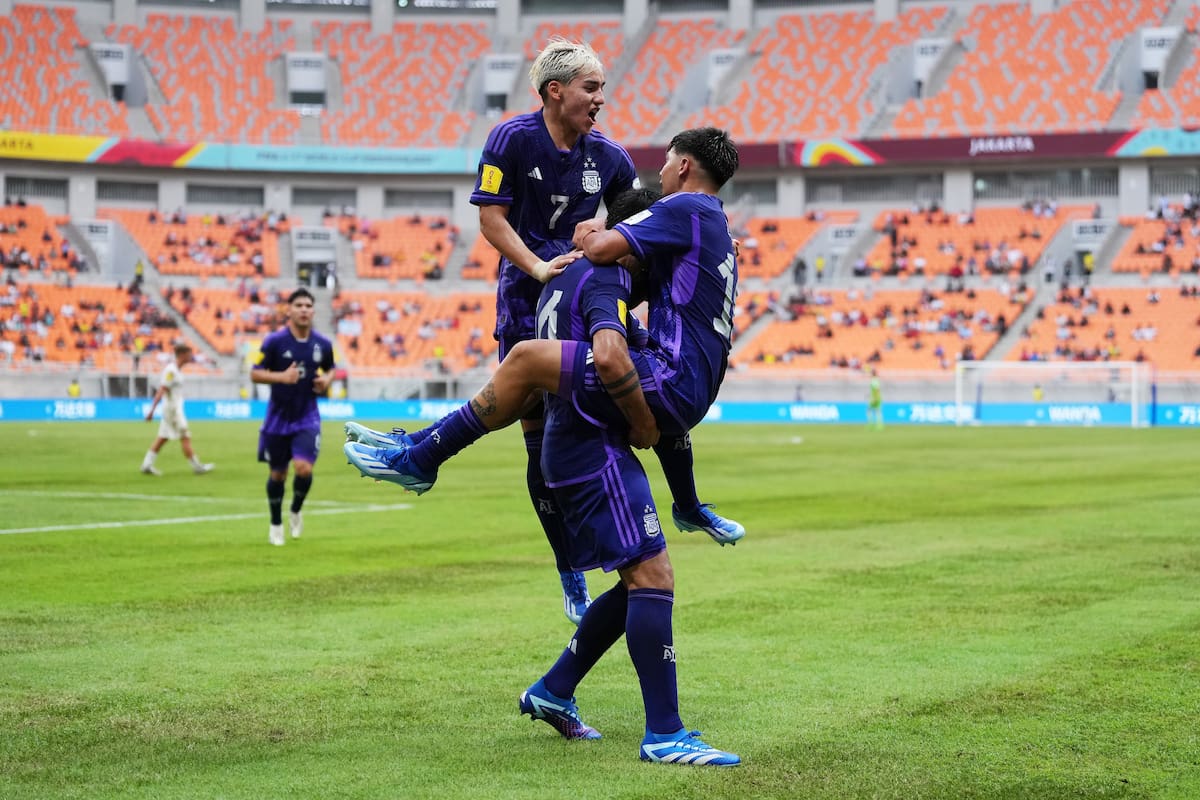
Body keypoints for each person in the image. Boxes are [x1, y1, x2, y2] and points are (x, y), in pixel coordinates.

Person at [345, 128, 744, 765]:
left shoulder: (580, 275)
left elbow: (579, 370)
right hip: (593, 443)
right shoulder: (615, 270)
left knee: (638, 579)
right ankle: (665, 733)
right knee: (650, 572)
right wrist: (647, 426)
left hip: (574, 438)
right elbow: (611, 360)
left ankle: (555, 688)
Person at [345, 40, 742, 623]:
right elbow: (490, 216)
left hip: (589, 290)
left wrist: (604, 260)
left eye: (602, 88)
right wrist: (536, 266)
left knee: (632, 380)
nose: (600, 100)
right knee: (539, 440)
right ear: (555, 91)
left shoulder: (610, 156)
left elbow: (633, 216)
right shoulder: (511, 138)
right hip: (526, 291)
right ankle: (569, 570)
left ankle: (423, 452)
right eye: (591, 88)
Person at [251, 288, 335, 546]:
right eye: (298, 305)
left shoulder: (323, 344)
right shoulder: (274, 342)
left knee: (303, 467)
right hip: (277, 418)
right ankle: (276, 523)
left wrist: (326, 381)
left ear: (313, 311)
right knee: (278, 475)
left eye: (308, 305)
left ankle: (296, 509)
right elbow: (255, 373)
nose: (304, 309)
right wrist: (281, 377)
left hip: (307, 415)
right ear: (289, 310)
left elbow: (331, 369)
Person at [140, 342, 214, 477]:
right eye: (189, 354)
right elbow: (162, 389)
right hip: (173, 410)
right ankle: (197, 466)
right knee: (185, 436)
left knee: (163, 437)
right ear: (182, 355)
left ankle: (146, 464)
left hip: (173, 408)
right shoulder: (171, 371)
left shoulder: (177, 370)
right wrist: (151, 411)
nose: (191, 356)